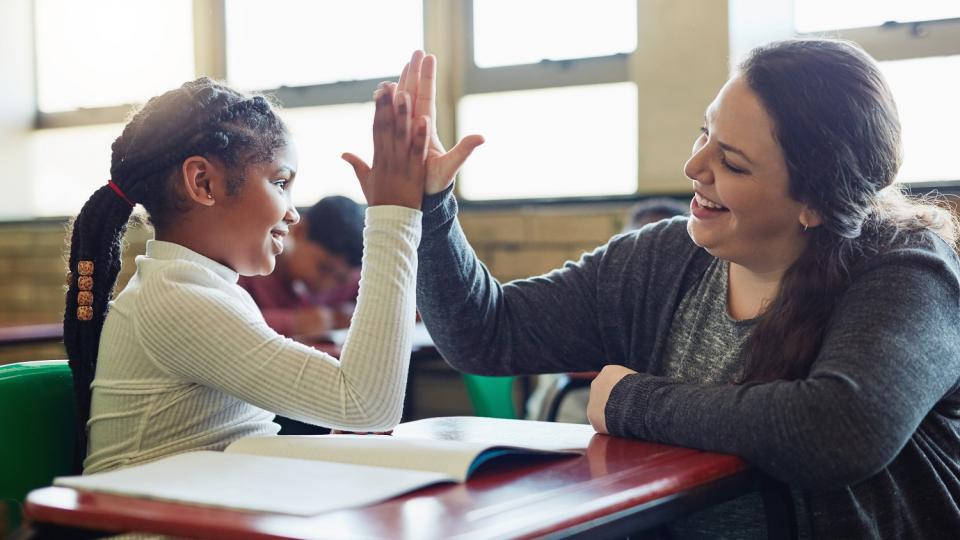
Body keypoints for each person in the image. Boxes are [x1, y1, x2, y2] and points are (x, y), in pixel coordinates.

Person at [393, 41, 960, 538]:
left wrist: (629, 399)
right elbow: (486, 335)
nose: (694, 165)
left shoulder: (905, 269)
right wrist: (431, 208)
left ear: (815, 202)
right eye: (705, 131)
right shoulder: (660, 258)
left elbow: (838, 429)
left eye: (732, 163)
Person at [63, 75, 460, 475]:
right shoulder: (175, 300)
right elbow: (368, 405)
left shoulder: (201, 287)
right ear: (203, 182)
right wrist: (394, 214)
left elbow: (253, 440)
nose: (292, 212)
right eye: (280, 182)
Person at [526, 196, 690, 423]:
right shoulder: (600, 300)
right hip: (565, 428)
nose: (638, 267)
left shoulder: (687, 312)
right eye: (631, 248)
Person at [238, 195, 364, 340]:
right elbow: (227, 319)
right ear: (299, 231)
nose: (327, 284)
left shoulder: (350, 274)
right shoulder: (247, 264)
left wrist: (357, 313)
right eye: (323, 268)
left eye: (341, 280)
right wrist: (294, 323)